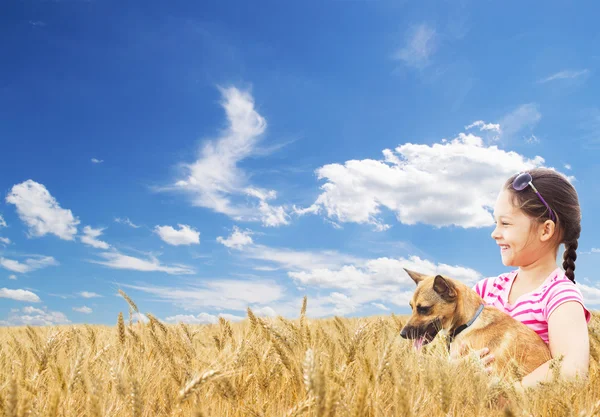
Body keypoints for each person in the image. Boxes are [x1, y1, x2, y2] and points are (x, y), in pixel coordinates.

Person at [466, 168, 591, 391]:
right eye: (495, 223)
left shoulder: (560, 297)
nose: (494, 233)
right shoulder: (484, 291)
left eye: (505, 223)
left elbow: (572, 370)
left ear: (545, 230)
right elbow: (453, 349)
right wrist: (455, 368)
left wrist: (502, 396)